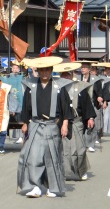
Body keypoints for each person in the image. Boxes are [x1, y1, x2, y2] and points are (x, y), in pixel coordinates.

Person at [17, 56, 71, 198]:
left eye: (47, 70)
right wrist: (25, 123)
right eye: (42, 70)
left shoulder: (59, 86)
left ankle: (52, 187)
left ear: (52, 70)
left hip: (53, 125)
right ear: (38, 71)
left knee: (52, 157)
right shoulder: (31, 86)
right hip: (35, 124)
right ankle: (35, 186)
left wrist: (65, 124)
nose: (45, 73)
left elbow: (66, 107)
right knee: (33, 156)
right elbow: (26, 107)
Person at [61, 65, 94, 181]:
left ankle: (81, 171)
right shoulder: (57, 88)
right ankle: (65, 172)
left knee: (79, 148)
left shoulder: (80, 87)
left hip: (77, 121)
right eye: (63, 74)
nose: (65, 76)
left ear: (72, 75)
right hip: (62, 123)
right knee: (64, 149)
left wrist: (90, 117)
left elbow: (87, 104)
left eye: (67, 74)